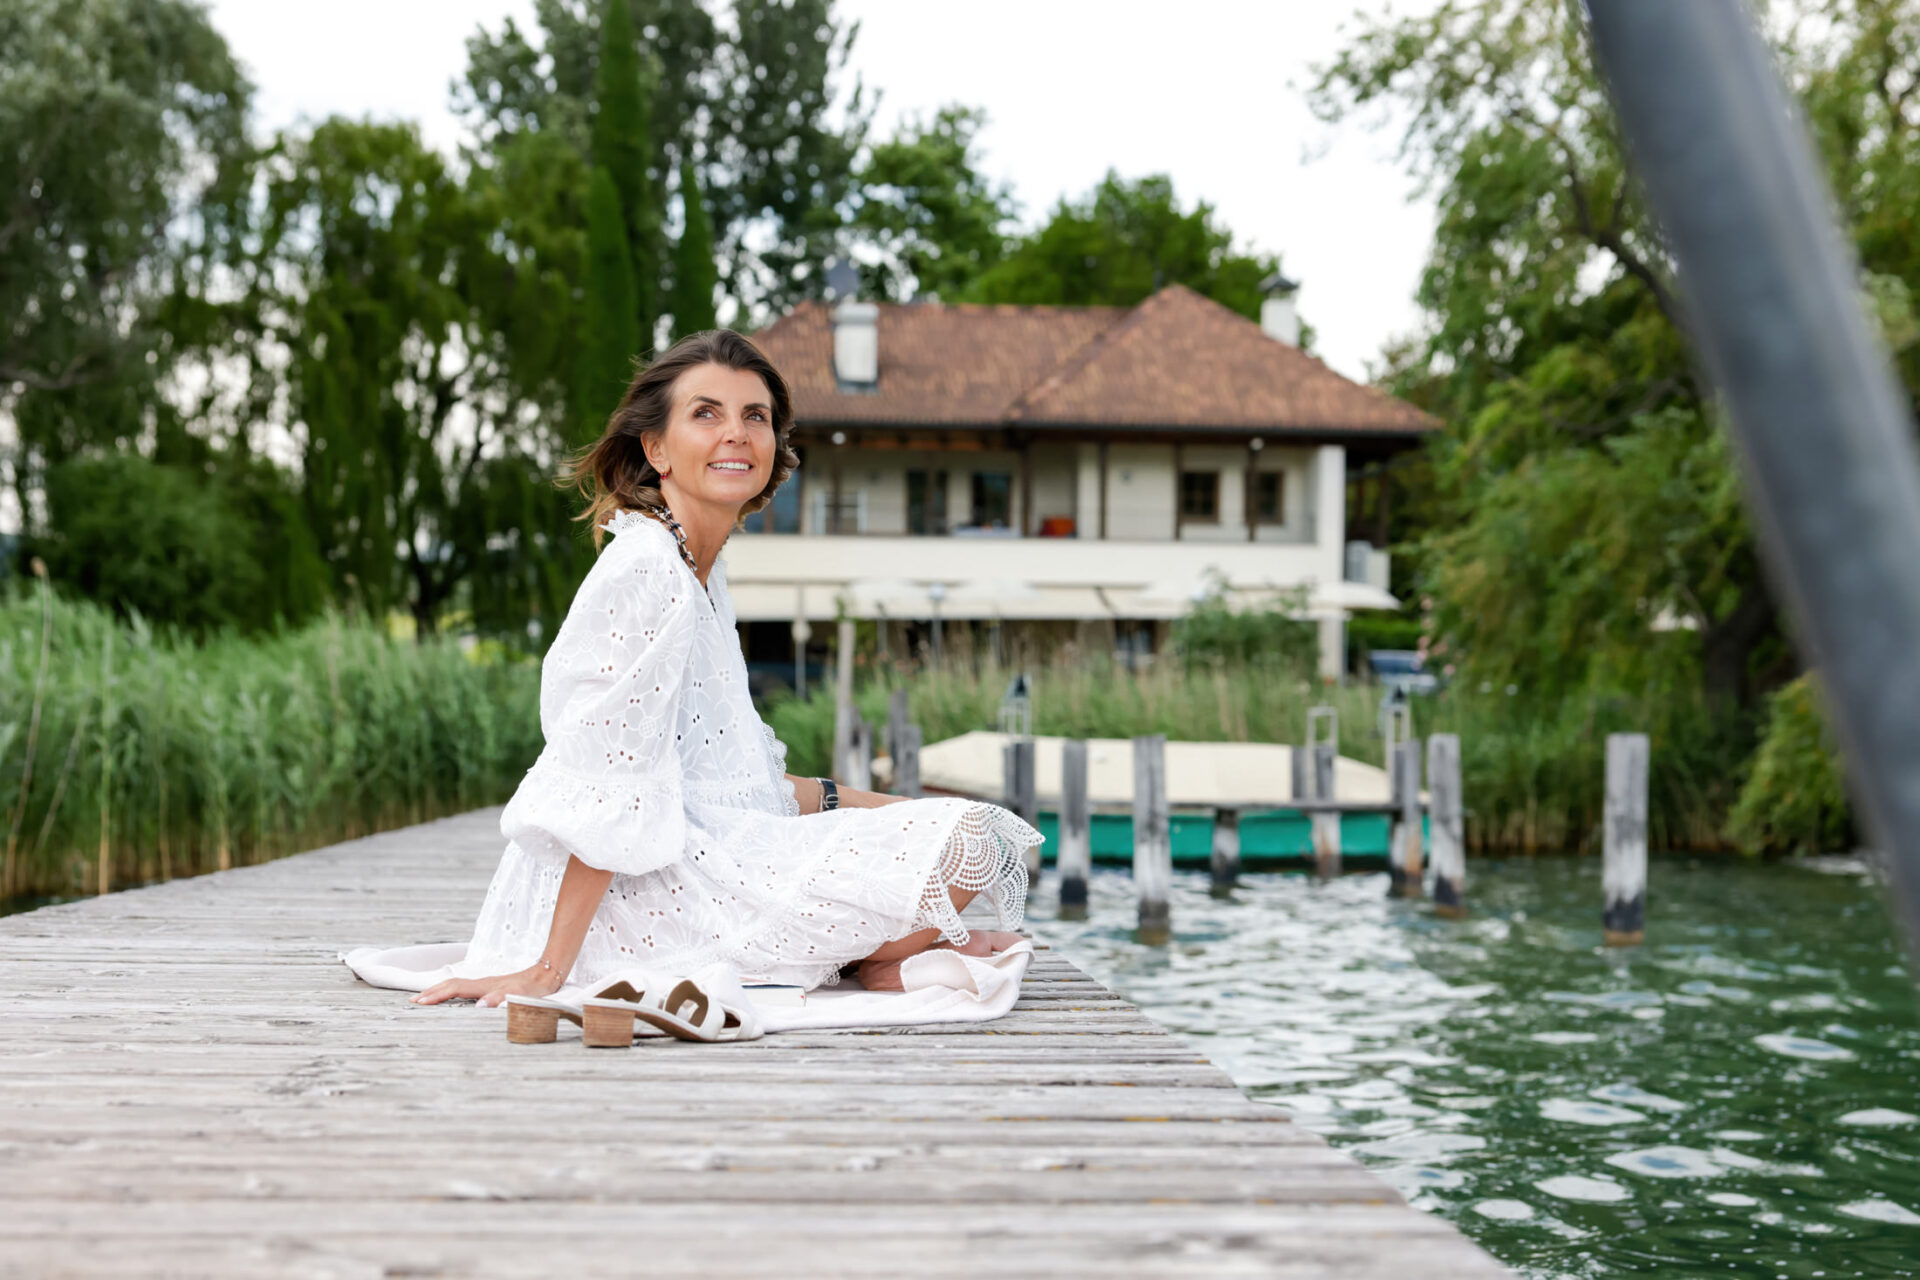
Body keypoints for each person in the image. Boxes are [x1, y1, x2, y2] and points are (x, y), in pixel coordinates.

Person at [414, 330, 1039, 1010]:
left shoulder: (699, 574)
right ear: (656, 450)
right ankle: (874, 959)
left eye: (755, 416)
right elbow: (609, 782)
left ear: (773, 446)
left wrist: (901, 810)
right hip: (645, 896)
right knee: (968, 838)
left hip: (712, 859)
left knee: (969, 828)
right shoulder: (647, 570)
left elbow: (741, 784)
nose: (736, 433)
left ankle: (868, 954)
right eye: (706, 413)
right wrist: (547, 971)